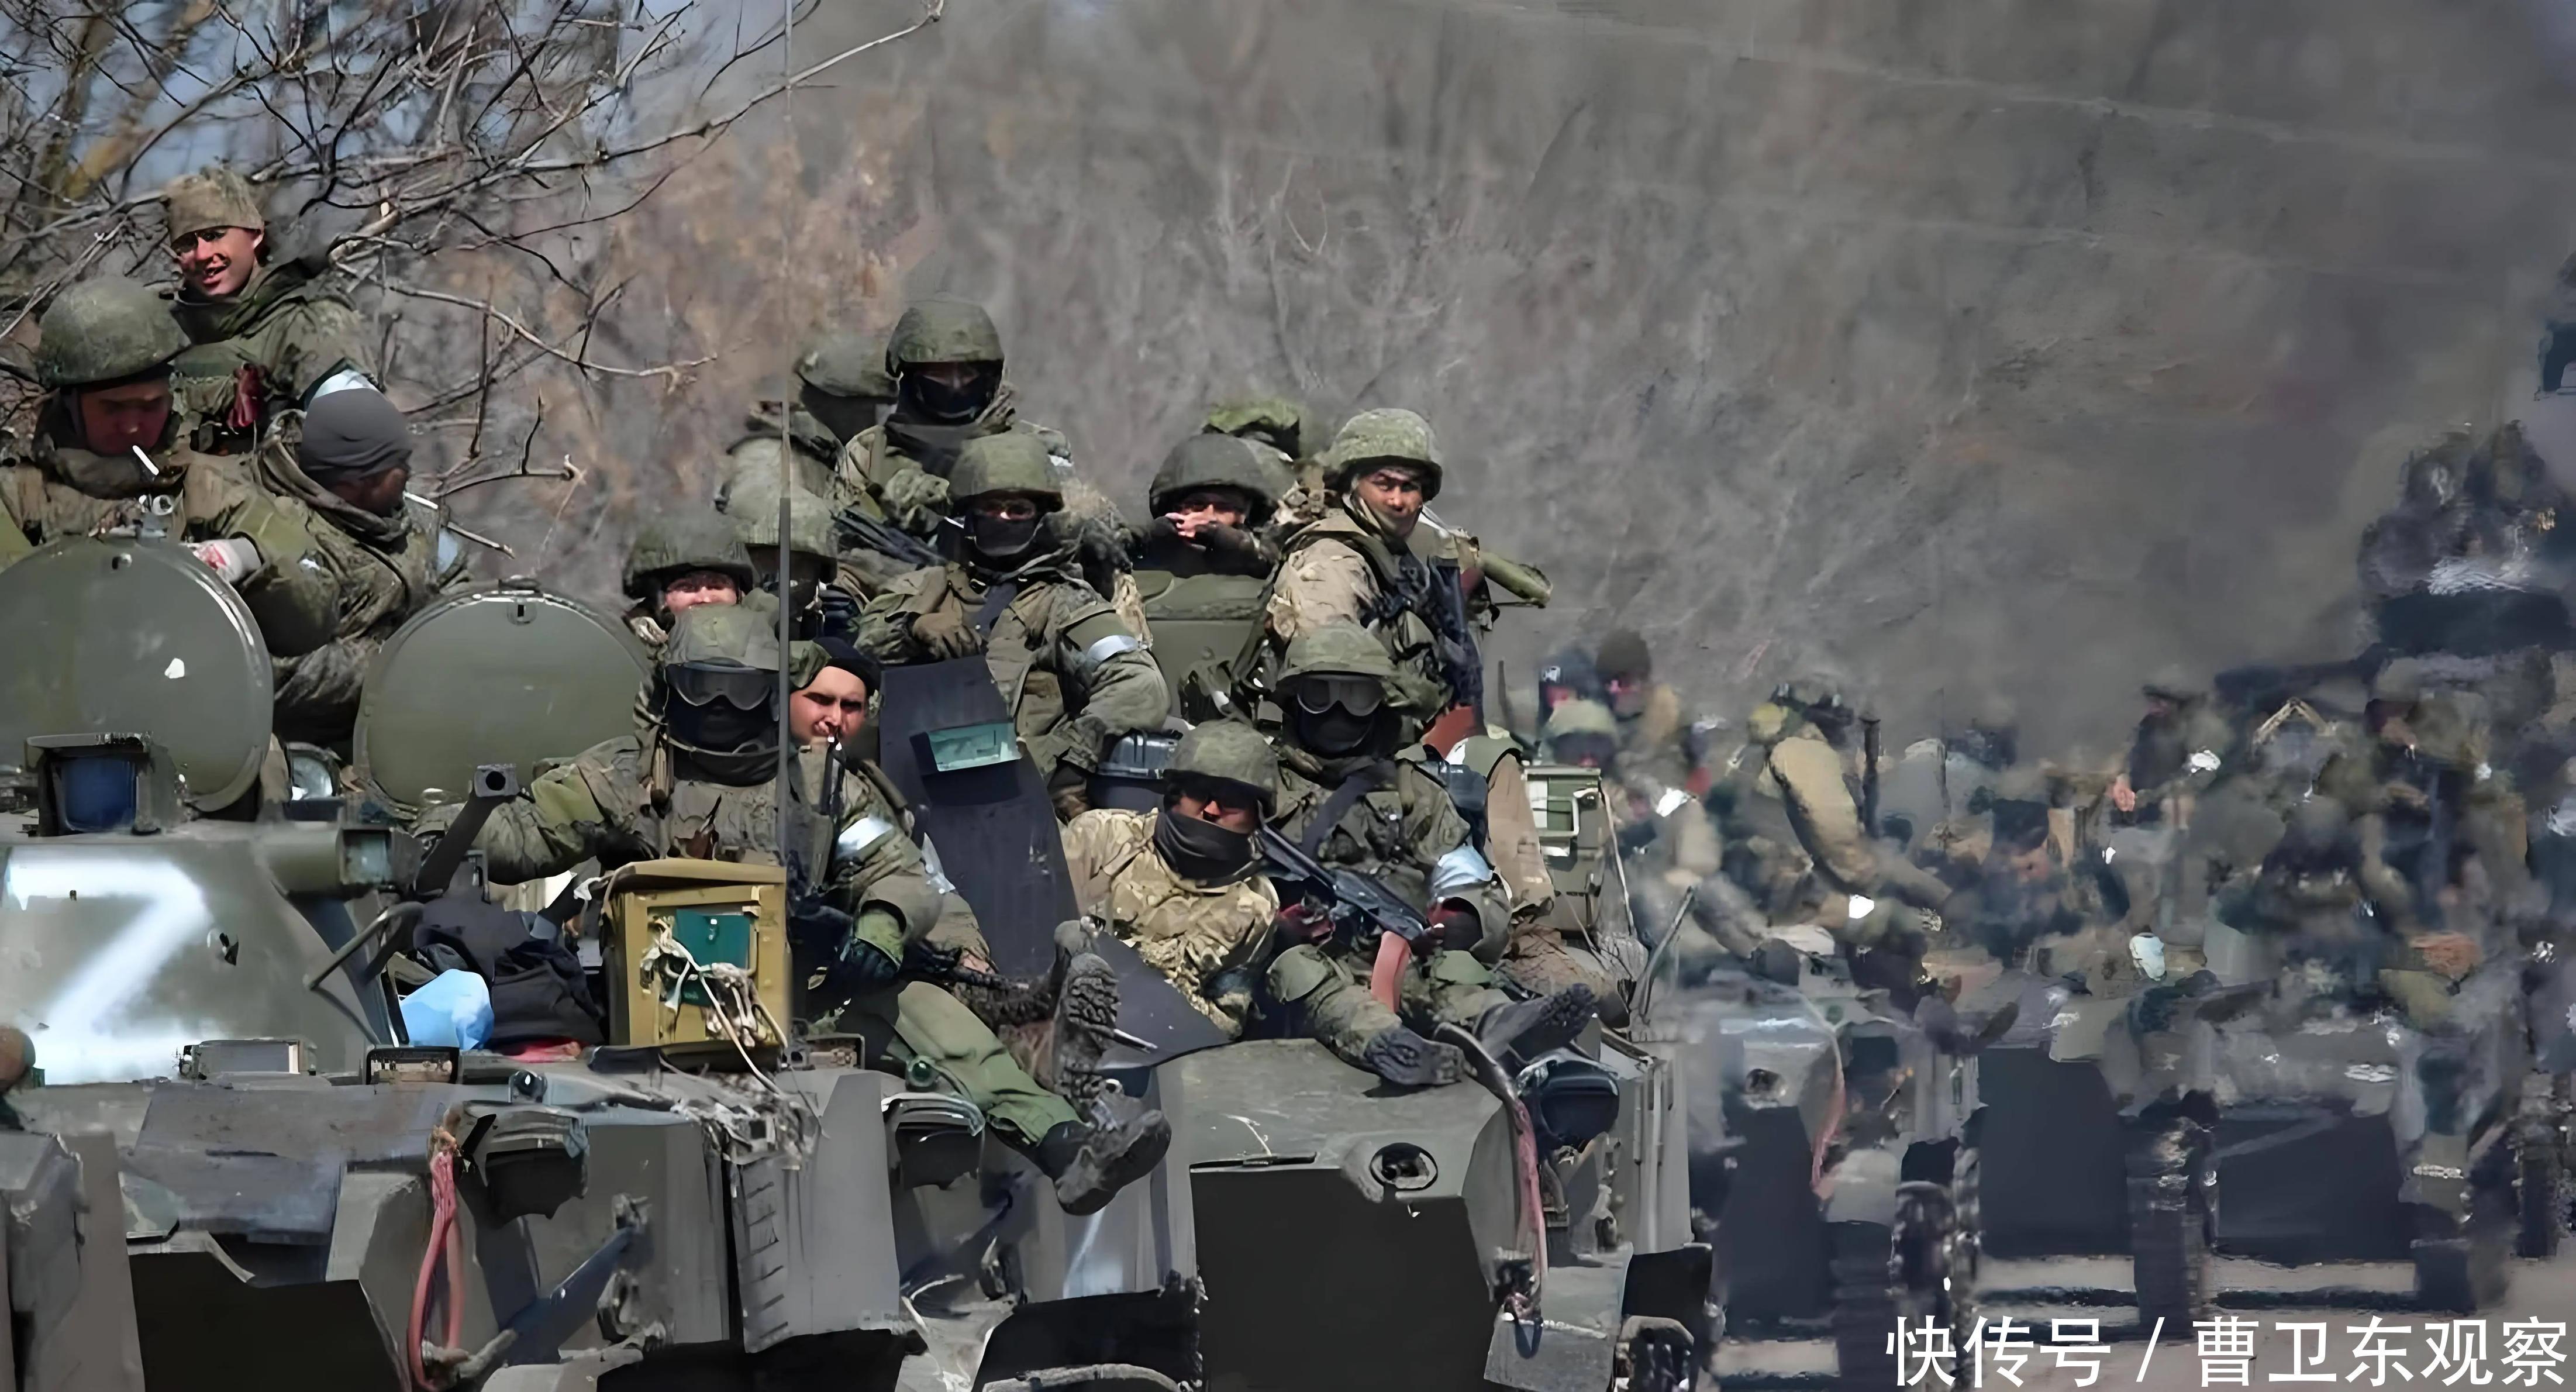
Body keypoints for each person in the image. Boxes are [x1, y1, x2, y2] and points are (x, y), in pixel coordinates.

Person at [417, 605, 1168, 1214]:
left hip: (801, 1000)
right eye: (700, 689)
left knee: (927, 1011)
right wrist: (439, 830)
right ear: (667, 688)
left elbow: (899, 871)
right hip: (642, 1002)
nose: (720, 709)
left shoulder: (821, 784)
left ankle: (1067, 1147)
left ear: (774, 693)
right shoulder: (622, 775)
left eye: (741, 692)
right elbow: (518, 836)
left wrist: (880, 924)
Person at [1260, 622, 1595, 1087]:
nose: (1338, 711)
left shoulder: (1414, 792)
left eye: (1356, 697)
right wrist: (1273, 927)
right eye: (1320, 695)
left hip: (1394, 958)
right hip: (1290, 972)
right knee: (1301, 971)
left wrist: (1463, 917)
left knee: (1450, 973)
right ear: (1294, 699)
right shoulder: (1258, 784)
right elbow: (1214, 882)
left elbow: (1466, 877)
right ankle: (1390, 1046)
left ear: (1381, 704)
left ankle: (1499, 1023)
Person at [0, 274, 334, 657]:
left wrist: (244, 558)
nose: (132, 426)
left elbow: (314, 605)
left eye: (151, 405)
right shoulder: (18, 494)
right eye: (112, 408)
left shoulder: (202, 484)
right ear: (71, 405)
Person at [860, 432, 1167, 818]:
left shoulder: (1063, 604)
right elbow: (860, 650)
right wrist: (912, 628)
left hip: (1011, 807)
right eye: (992, 507)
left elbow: (1139, 684)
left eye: (1018, 510)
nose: (1003, 519)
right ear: (968, 514)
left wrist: (1065, 758)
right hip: (904, 800)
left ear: (1041, 519)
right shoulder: (921, 588)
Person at [258, 386, 465, 749]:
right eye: (397, 465)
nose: (408, 472)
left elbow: (457, 583)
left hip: (421, 722)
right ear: (356, 482)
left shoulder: (409, 519)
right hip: (317, 751)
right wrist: (396, 662)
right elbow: (283, 670)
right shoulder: (280, 542)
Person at [1060, 721, 1281, 1036]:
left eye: (1231, 800)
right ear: (1174, 794)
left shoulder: (1257, 904)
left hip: (1157, 1044)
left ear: (1256, 815)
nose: (1211, 810)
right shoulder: (1101, 837)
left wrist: (1172, 998)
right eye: (1199, 792)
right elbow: (1031, 933)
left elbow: (1226, 1022)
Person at [1260, 408, 1463, 715]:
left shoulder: (1396, 557)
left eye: (1409, 487)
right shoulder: (1331, 562)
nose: (1397, 501)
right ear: (1353, 486)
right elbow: (1328, 678)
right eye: (1384, 485)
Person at [1712, 673, 1952, 932]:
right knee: (1900, 887)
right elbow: (1830, 820)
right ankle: (1950, 913)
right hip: (1812, 871)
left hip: (1793, 865)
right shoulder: (1799, 751)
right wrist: (1862, 863)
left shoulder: (1765, 755)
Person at [158, 164, 371, 453]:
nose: (203, 255)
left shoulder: (309, 323)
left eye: (215, 235)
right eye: (186, 244)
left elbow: (359, 447)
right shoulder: (164, 334)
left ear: (255, 235)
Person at [1131, 432, 1291, 714]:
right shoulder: (1135, 570)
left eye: (1225, 507)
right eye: (1196, 505)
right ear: (1174, 511)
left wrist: (1237, 546)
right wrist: (1145, 540)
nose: (1209, 517)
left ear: (1245, 515)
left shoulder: (1280, 572)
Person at [719, 329, 895, 505]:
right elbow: (789, 517)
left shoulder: (828, 447)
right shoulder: (766, 456)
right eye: (872, 409)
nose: (877, 420)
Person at [1595, 628, 1714, 797]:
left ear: (1642, 680)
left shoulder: (1672, 712)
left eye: (1623, 684)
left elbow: (1700, 776)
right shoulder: (1594, 717)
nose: (1614, 691)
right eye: (1608, 684)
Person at [619, 508, 758, 649]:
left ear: (740, 595)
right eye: (686, 587)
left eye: (716, 586)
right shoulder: (629, 646)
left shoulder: (767, 636)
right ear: (659, 601)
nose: (705, 599)